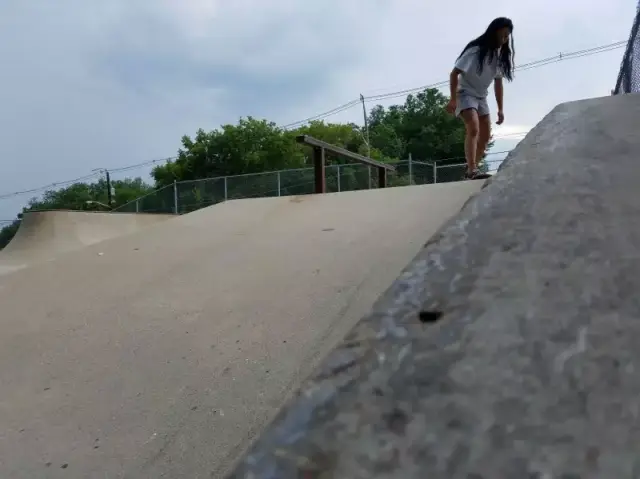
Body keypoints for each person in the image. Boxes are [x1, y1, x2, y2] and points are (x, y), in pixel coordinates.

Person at [446, 17, 515, 180]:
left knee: (485, 136)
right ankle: (471, 170)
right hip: (465, 93)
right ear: (494, 33)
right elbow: (454, 73)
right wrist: (452, 99)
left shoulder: (498, 57)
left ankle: (471, 169)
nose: (504, 40)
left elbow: (498, 84)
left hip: (481, 97)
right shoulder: (475, 50)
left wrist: (500, 109)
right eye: (502, 35)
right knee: (474, 128)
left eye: (507, 37)